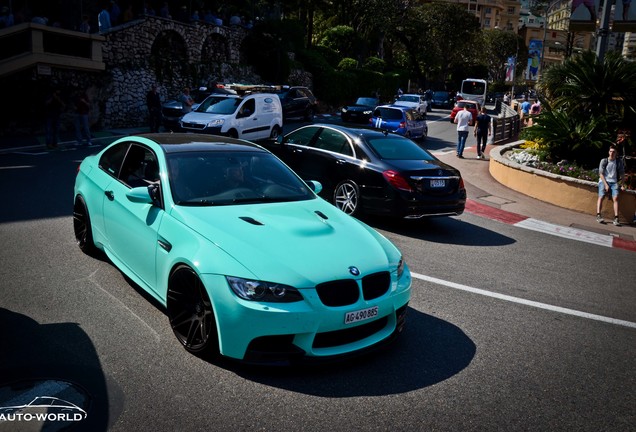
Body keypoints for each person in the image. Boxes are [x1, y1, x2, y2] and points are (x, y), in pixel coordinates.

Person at [596, 145, 625, 226]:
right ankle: (598, 215)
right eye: (610, 151)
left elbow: (622, 174)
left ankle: (616, 218)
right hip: (604, 181)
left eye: (613, 152)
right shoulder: (604, 161)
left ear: (616, 153)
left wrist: (622, 185)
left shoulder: (619, 162)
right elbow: (601, 174)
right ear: (608, 152)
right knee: (601, 196)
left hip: (614, 182)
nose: (611, 153)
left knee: (615, 197)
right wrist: (606, 185)